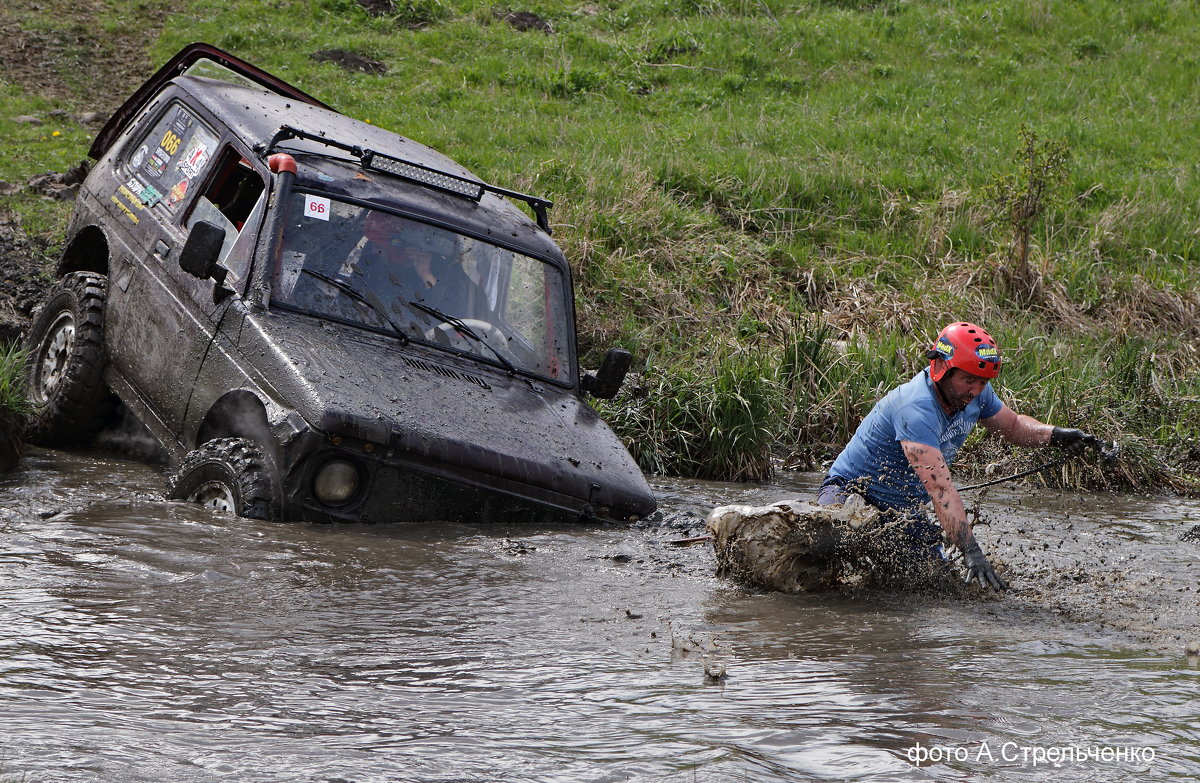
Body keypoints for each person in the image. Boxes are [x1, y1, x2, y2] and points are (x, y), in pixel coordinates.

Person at [816, 321, 1105, 591]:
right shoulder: (915, 408)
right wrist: (971, 550)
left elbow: (1014, 426)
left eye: (982, 382)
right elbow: (940, 489)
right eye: (969, 380)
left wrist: (1055, 435)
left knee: (934, 585)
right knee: (821, 561)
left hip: (899, 515)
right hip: (850, 494)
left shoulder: (976, 393)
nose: (976, 390)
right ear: (942, 368)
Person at [355, 210, 474, 317]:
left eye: (379, 245)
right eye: (374, 244)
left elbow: (455, 315)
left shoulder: (443, 268)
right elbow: (352, 293)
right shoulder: (373, 258)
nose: (374, 249)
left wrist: (426, 275)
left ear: (400, 244)